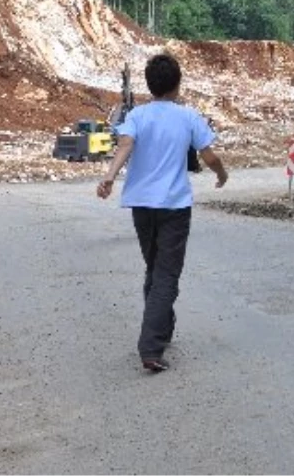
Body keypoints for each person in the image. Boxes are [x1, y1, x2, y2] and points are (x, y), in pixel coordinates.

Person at [96, 53, 227, 373]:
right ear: (177, 84)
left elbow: (124, 146)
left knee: (155, 268)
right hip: (174, 207)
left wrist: (110, 177)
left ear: (150, 84)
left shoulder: (138, 116)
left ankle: (162, 328)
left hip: (141, 205)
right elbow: (208, 155)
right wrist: (222, 174)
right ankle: (151, 347)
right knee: (166, 273)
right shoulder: (189, 117)